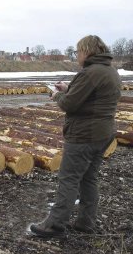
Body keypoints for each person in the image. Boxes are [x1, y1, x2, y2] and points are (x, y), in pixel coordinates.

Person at [29, 35, 121, 238]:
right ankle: (86, 222)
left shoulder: (89, 73)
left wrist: (57, 95)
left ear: (87, 51)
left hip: (84, 135)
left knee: (68, 178)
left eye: (78, 52)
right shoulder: (110, 71)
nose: (77, 56)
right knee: (89, 178)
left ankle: (54, 225)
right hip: (103, 133)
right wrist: (69, 89)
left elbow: (69, 104)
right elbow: (92, 97)